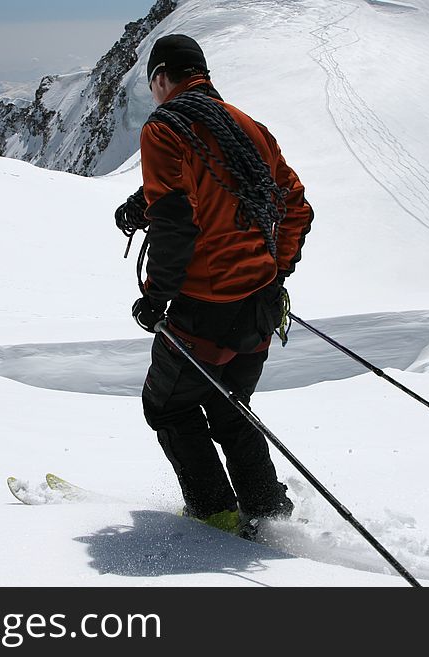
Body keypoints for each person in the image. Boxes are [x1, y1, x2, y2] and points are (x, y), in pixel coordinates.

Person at [115, 34, 314, 538]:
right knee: (230, 405)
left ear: (161, 77)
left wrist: (156, 297)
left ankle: (212, 512)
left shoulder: (164, 129)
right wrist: (276, 272)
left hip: (201, 307)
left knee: (168, 404)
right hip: (259, 307)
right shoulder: (249, 128)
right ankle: (267, 511)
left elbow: (177, 223)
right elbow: (295, 206)